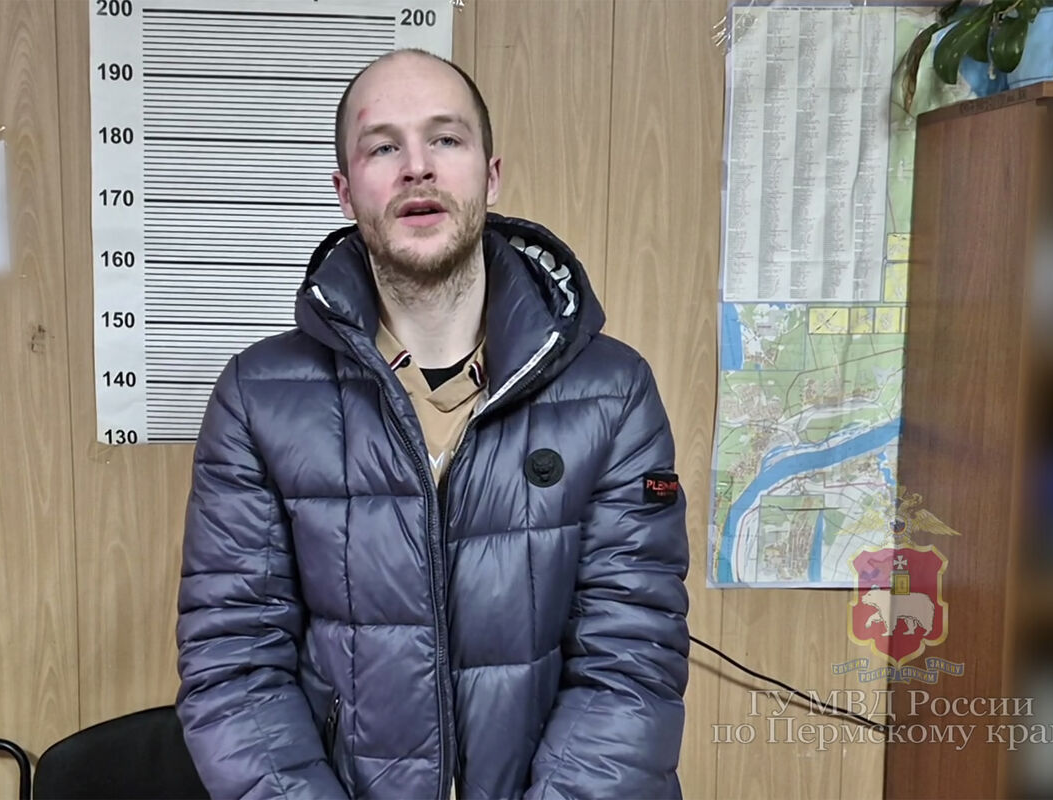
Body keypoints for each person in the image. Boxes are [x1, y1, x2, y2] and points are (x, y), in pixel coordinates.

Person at [175, 47, 690, 800]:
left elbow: (633, 661)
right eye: (383, 147)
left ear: (490, 174)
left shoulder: (612, 392)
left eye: (445, 139)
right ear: (345, 191)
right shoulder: (257, 398)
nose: (417, 167)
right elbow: (233, 666)